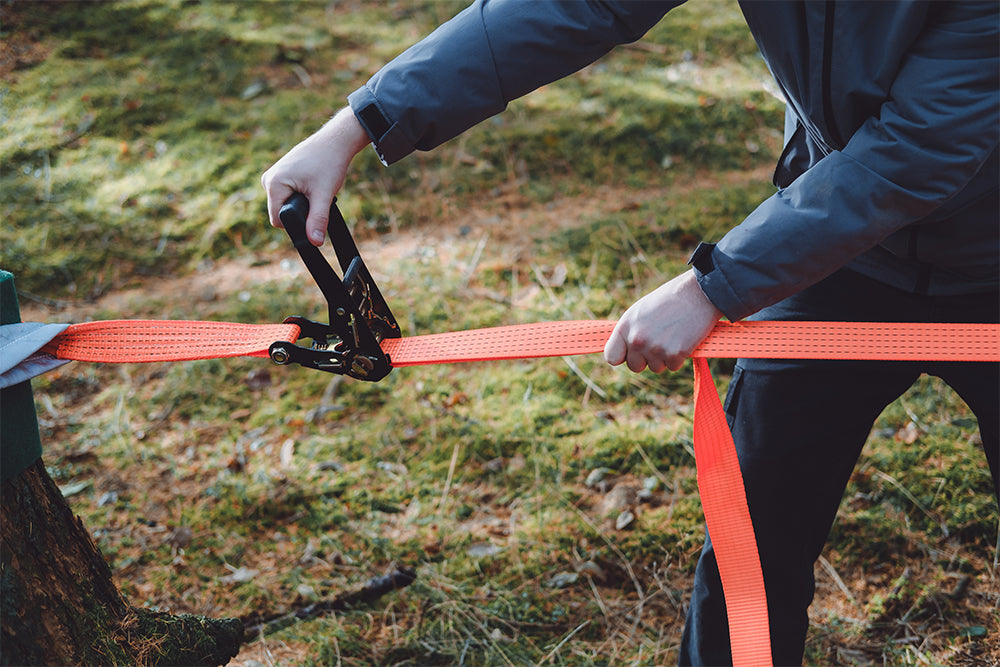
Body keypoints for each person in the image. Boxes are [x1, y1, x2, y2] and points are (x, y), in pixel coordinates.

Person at [262, 2, 999, 664]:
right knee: (751, 544)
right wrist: (358, 123)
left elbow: (914, 152)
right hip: (831, 253)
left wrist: (713, 286)